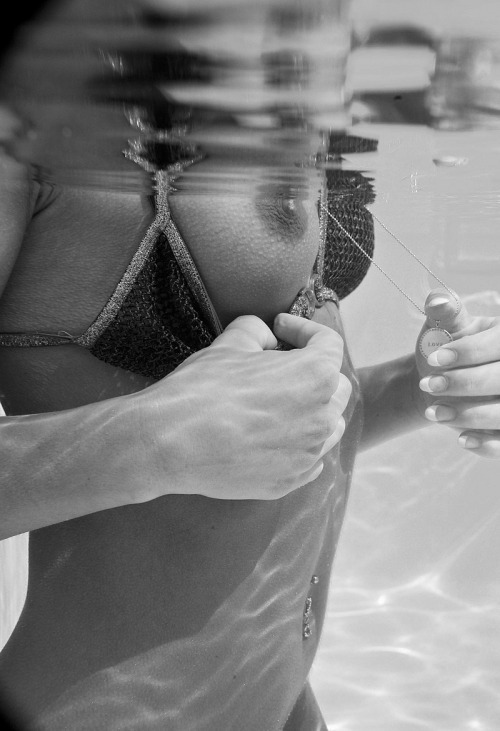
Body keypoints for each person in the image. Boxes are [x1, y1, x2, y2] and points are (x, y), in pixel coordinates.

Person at [0, 2, 499, 730]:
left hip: (286, 702)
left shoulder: (311, 62)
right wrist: (154, 440)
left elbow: (265, 427)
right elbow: (201, 431)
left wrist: (430, 382)